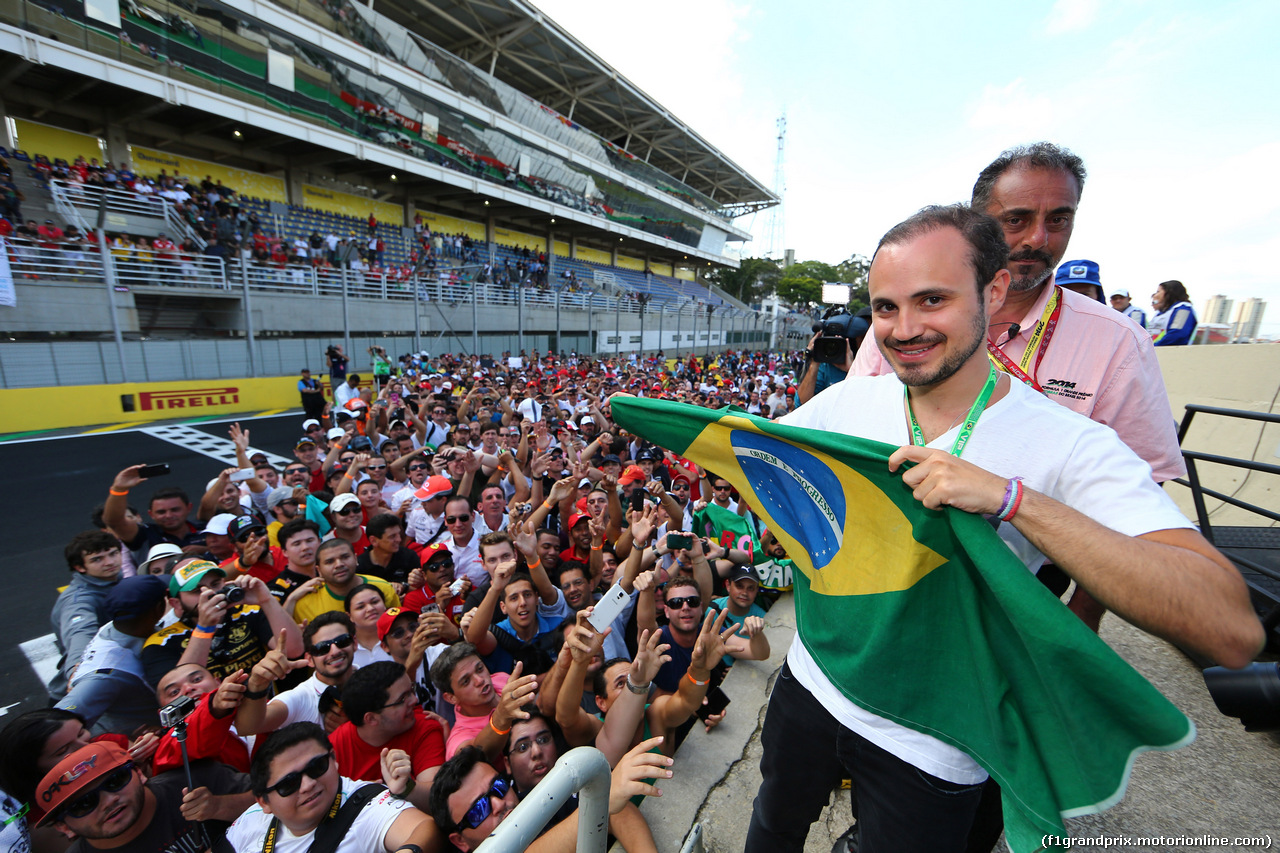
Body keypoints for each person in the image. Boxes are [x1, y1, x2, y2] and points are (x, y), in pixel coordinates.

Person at [744, 204, 1262, 853]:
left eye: (932, 299)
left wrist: (1012, 499)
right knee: (771, 826)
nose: (904, 329)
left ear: (993, 291)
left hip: (938, 737)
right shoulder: (845, 402)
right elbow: (778, 478)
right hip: (812, 682)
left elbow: (1231, 627)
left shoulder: (1071, 444)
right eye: (885, 308)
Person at [223, 722, 443, 853]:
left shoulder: (367, 805)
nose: (308, 785)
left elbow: (424, 828)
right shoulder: (250, 820)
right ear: (264, 802)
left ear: (334, 759)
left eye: (317, 766)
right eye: (289, 783)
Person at [426, 738, 671, 853]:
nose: (499, 803)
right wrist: (601, 802)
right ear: (460, 841)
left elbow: (619, 812)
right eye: (479, 810)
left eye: (498, 787)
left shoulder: (542, 796)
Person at [35, 741, 251, 853]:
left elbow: (273, 796)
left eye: (115, 781)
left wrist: (219, 806)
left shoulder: (193, 779)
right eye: (84, 804)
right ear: (63, 827)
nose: (109, 800)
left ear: (138, 773)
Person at [328, 661, 446, 810]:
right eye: (402, 699)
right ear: (371, 718)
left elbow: (437, 797)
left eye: (411, 690)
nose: (414, 700)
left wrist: (406, 787)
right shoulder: (334, 747)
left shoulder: (425, 726)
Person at [236, 612, 357, 736]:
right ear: (309, 659)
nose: (335, 651)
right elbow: (247, 727)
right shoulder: (299, 698)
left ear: (355, 644)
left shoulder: (375, 679)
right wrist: (257, 683)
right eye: (322, 648)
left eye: (342, 641)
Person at [49, 530, 123, 700]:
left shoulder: (114, 579)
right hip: (78, 693)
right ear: (80, 567)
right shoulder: (78, 601)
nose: (109, 562)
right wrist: (78, 673)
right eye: (97, 559)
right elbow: (80, 634)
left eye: (113, 553)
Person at [1150, 279, 1198, 346]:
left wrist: (1153, 346)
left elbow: (1177, 334)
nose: (1155, 295)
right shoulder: (1160, 313)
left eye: (1158, 291)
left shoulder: (1184, 309)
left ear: (1169, 293)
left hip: (1170, 352)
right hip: (1154, 352)